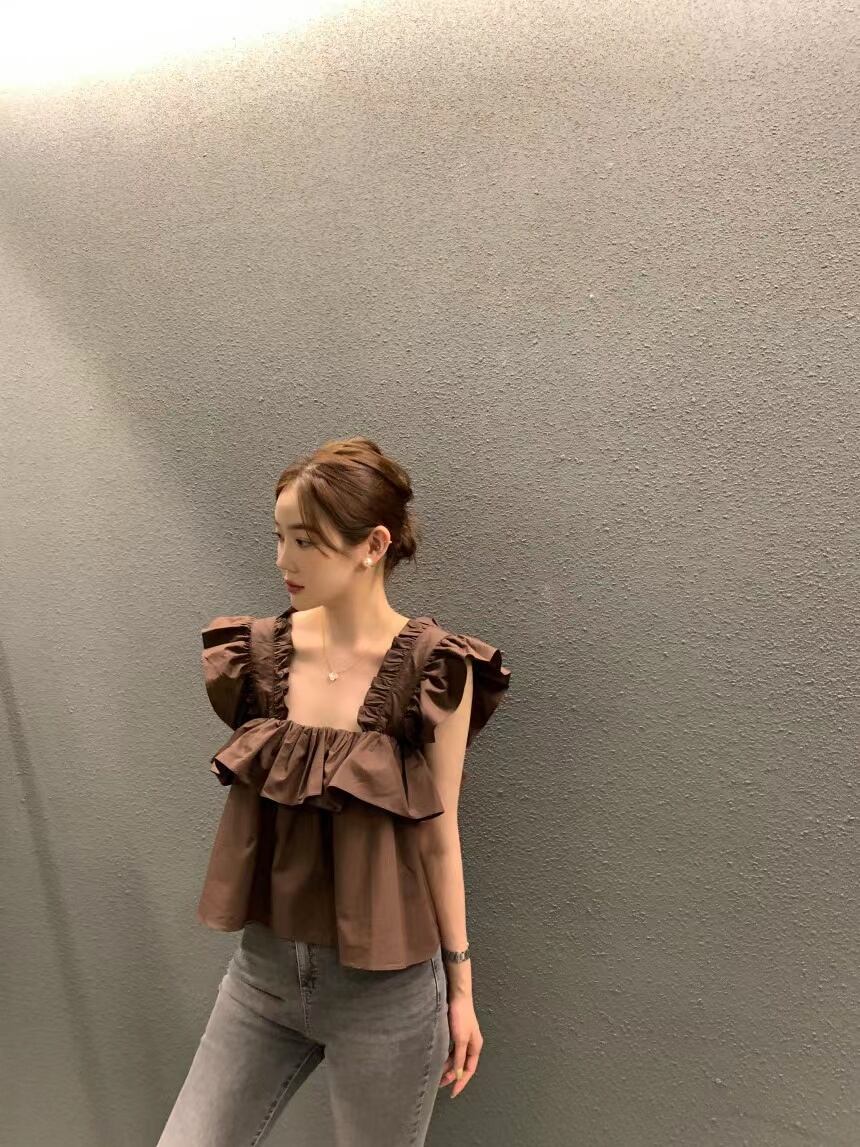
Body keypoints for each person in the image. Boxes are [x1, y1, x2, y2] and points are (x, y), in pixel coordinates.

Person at [157, 435, 512, 1147]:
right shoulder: (258, 655)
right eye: (279, 537)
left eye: (305, 542)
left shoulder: (437, 669)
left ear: (373, 545)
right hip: (263, 978)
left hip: (387, 996)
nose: (283, 561)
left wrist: (462, 987)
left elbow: (440, 836)